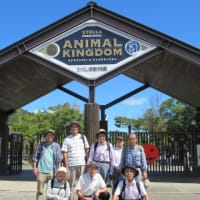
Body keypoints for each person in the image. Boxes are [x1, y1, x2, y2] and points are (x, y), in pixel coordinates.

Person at [62, 121, 90, 200]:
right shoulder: (67, 139)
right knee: (71, 186)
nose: (74, 128)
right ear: (70, 129)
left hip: (82, 164)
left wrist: (88, 163)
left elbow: (87, 150)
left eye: (76, 127)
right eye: (72, 127)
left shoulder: (83, 137)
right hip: (71, 164)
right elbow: (65, 153)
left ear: (78, 128)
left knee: (82, 185)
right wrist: (66, 167)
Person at [32, 129, 62, 200]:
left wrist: (58, 170)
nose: (50, 137)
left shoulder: (56, 146)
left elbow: (59, 160)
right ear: (45, 136)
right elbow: (35, 157)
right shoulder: (41, 145)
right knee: (40, 191)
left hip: (52, 171)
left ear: (53, 137)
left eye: (51, 135)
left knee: (52, 190)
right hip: (41, 170)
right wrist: (34, 168)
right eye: (48, 135)